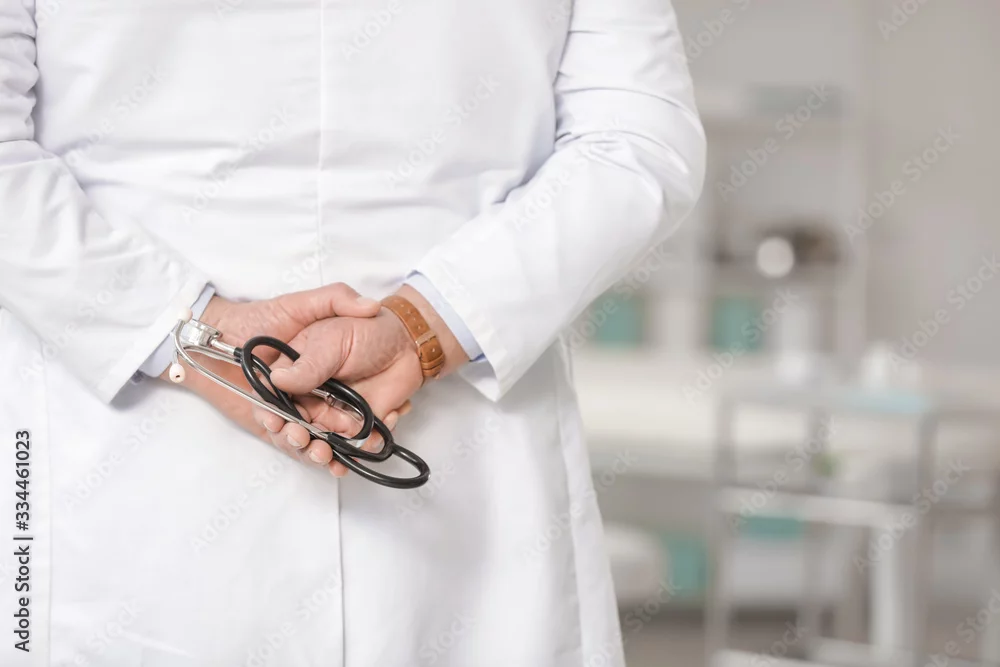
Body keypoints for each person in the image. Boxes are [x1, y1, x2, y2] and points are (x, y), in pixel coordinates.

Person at [0, 0, 705, 664]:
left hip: (140, 454)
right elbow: (637, 139)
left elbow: (635, 139)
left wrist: (191, 332)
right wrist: (428, 322)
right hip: (440, 456)